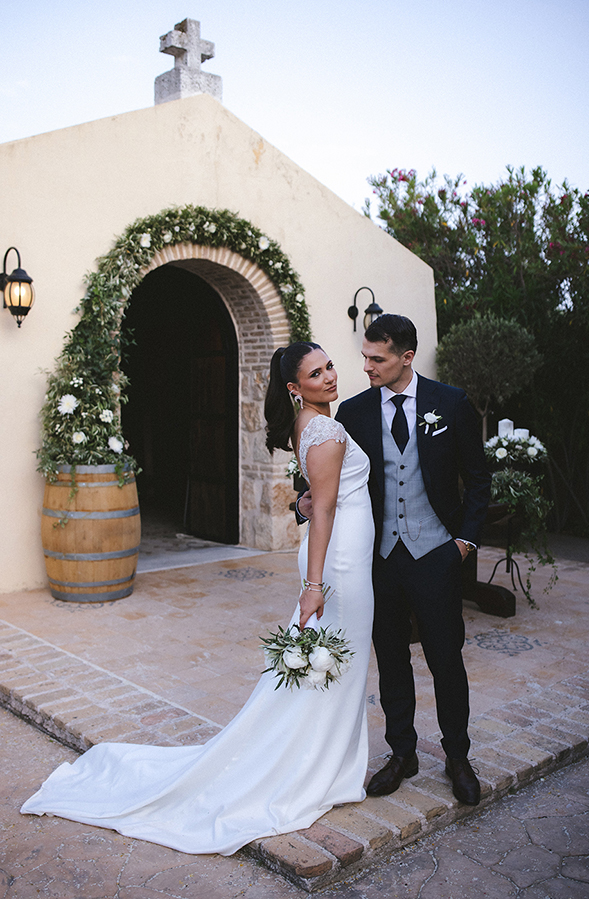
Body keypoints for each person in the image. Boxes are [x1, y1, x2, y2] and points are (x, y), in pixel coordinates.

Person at [20, 342, 375, 855]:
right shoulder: (321, 430)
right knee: (338, 664)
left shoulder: (311, 425)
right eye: (315, 374)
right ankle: (318, 770)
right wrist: (314, 586)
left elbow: (317, 497)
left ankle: (329, 764)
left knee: (335, 666)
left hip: (341, 555)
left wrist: (311, 512)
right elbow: (322, 511)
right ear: (295, 389)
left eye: (329, 367)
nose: (330, 377)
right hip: (337, 563)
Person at [298, 315, 491, 805]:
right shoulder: (355, 412)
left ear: (406, 358)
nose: (365, 367)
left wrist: (464, 543)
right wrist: (302, 505)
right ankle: (402, 753)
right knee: (390, 659)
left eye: (376, 358)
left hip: (436, 555)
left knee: (446, 659)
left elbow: (479, 478)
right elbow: (325, 484)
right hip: (379, 559)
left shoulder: (451, 403)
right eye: (363, 357)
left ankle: (458, 757)